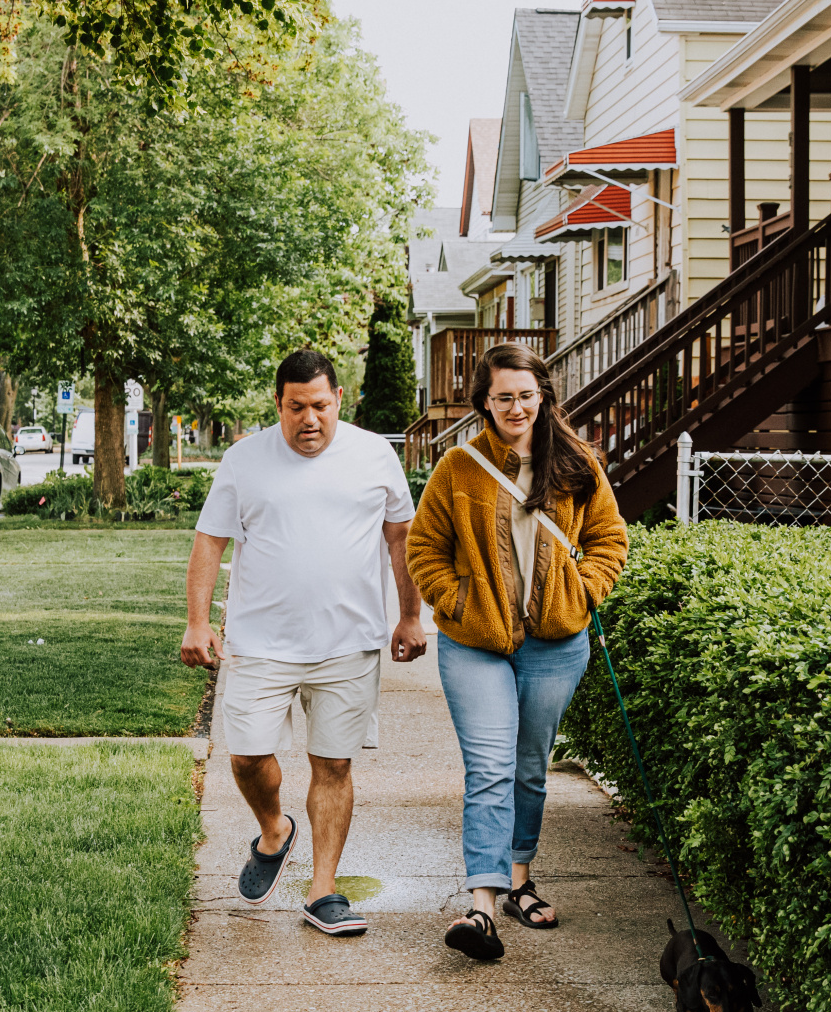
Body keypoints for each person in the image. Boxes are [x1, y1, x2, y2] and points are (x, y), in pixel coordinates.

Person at [180, 350, 425, 936]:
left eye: (320, 405)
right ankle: (274, 830)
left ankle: (324, 891)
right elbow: (209, 542)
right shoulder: (244, 460)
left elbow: (402, 541)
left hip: (348, 643)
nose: (309, 419)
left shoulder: (374, 455)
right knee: (246, 755)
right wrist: (196, 621)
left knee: (333, 764)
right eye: (296, 408)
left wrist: (411, 617)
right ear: (278, 406)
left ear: (340, 399)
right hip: (260, 641)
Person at [405, 342, 628, 961]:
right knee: (489, 768)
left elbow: (610, 537)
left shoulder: (577, 462)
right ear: (485, 402)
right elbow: (424, 547)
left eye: (526, 395)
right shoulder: (460, 466)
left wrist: (584, 591)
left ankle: (520, 879)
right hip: (475, 643)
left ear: (543, 397)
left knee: (529, 768)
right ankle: (482, 908)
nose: (515, 406)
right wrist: (456, 600)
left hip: (557, 642)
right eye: (503, 396)